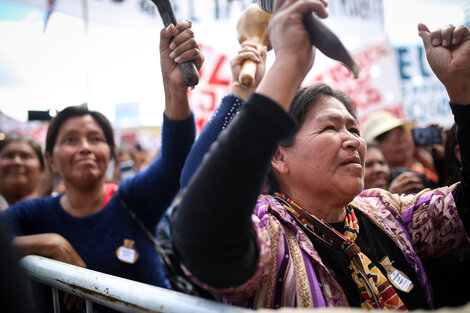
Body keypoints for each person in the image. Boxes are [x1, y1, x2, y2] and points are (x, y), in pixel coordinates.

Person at [171, 0, 470, 309]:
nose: (353, 141)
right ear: (279, 157)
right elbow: (202, 235)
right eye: (329, 128)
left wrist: (462, 92)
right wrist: (286, 67)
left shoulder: (385, 212)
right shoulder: (270, 234)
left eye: (354, 130)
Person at [1, 20, 203, 312]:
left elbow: (176, 159)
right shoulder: (37, 215)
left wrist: (174, 88)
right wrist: (49, 243)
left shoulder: (132, 200)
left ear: (109, 155)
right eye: (70, 139)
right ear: (50, 159)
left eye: (95, 138)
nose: (84, 147)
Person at [361, 110, 439, 188]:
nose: (401, 141)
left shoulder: (420, 170)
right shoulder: (375, 184)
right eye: (392, 137)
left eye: (402, 134)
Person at [0, 135, 54, 211]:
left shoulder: (61, 208)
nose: (16, 162)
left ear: (44, 169)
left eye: (25, 156)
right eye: (9, 156)